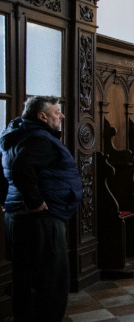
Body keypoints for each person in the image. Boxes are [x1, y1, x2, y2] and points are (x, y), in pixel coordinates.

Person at [0, 96, 82, 321]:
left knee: (25, 278)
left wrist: (6, 200)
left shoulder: (16, 135)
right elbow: (21, 168)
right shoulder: (39, 138)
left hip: (19, 215)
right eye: (57, 112)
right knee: (50, 281)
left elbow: (6, 170)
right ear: (42, 116)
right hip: (40, 219)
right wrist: (35, 203)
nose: (61, 115)